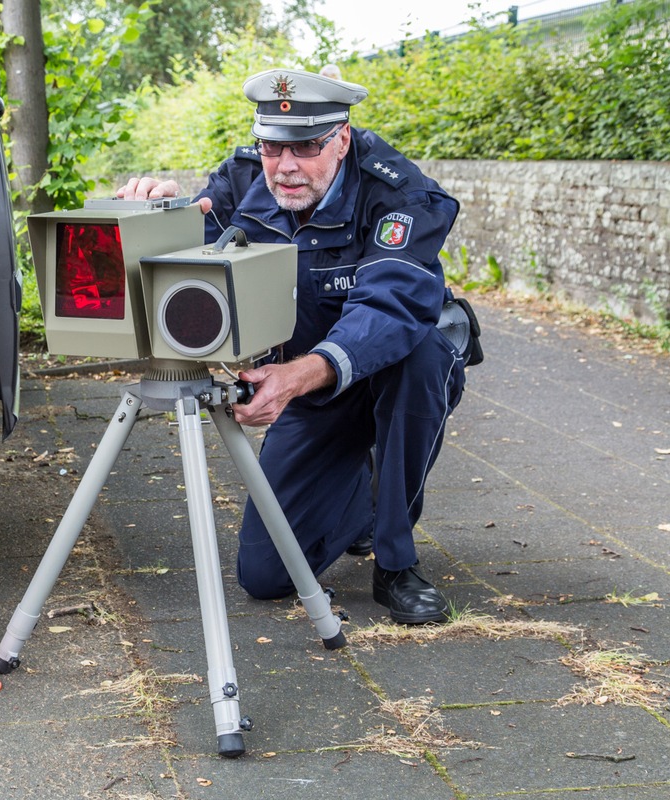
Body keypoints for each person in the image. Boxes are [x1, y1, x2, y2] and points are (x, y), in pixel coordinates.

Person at [117, 67, 466, 624]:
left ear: (342, 138)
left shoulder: (397, 193)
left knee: (422, 357)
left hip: (386, 371)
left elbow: (389, 308)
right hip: (308, 390)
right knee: (265, 577)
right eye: (272, 146)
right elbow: (191, 259)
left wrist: (297, 375)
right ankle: (360, 489)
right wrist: (149, 213)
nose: (285, 167)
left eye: (305, 146)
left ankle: (395, 561)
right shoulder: (241, 179)